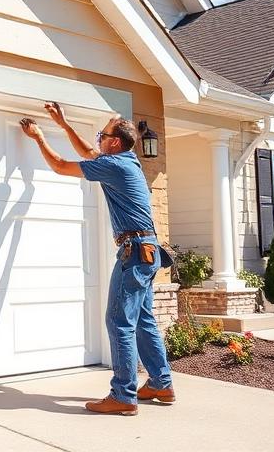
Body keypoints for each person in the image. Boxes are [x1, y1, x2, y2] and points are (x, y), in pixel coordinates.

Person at [19, 102, 174, 416]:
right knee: (142, 320)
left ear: (114, 143)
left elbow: (62, 165)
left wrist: (38, 137)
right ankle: (161, 383)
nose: (99, 139)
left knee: (119, 322)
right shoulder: (127, 161)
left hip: (134, 253)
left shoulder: (116, 165)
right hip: (147, 252)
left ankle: (123, 395)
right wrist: (63, 125)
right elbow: (90, 151)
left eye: (104, 135)